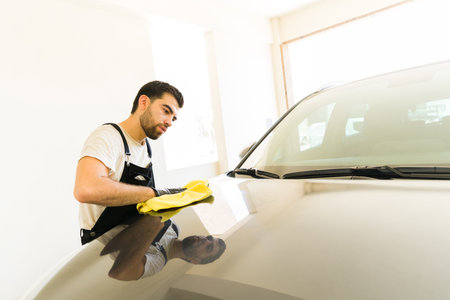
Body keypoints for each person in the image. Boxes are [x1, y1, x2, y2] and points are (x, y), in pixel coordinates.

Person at [74, 80, 185, 245]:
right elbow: (85, 189)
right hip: (102, 250)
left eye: (173, 118)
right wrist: (155, 193)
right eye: (165, 111)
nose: (169, 122)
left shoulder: (145, 147)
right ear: (144, 102)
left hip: (133, 243)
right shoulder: (107, 137)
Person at [99, 215, 226, 281]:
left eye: (208, 248)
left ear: (195, 260)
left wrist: (154, 227)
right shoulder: (174, 227)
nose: (205, 240)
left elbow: (118, 273)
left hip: (96, 221)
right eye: (209, 238)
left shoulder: (157, 263)